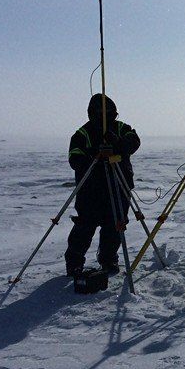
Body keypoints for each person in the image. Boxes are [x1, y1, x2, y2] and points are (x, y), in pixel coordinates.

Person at [64, 94, 141, 276]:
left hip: (118, 186)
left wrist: (116, 144)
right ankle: (74, 263)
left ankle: (108, 259)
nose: (104, 116)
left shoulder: (121, 128)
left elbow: (134, 142)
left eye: (108, 112)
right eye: (100, 112)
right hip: (91, 189)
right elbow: (75, 159)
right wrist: (94, 154)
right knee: (85, 226)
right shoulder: (82, 134)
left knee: (115, 225)